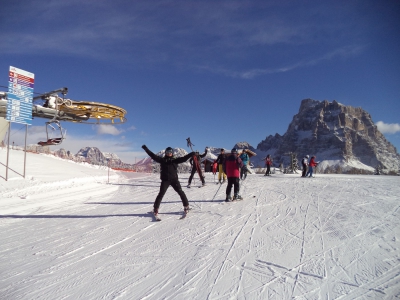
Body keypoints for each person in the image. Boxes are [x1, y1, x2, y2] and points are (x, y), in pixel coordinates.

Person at [141, 145, 193, 216]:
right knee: (161, 194)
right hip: (165, 180)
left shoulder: (175, 160)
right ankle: (155, 209)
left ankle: (186, 206)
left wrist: (191, 154)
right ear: (165, 153)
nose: (169, 153)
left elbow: (184, 158)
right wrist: (146, 149)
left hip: (174, 180)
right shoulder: (162, 160)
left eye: (170, 152)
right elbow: (153, 155)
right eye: (167, 152)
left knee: (181, 192)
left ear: (172, 153)